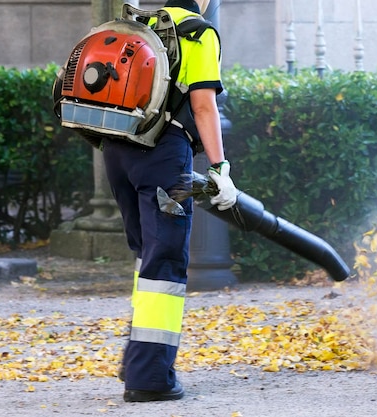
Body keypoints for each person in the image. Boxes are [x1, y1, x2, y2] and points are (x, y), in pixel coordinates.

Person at [101, 0, 237, 402]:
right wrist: (219, 167)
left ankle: (137, 357)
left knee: (147, 255)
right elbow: (203, 105)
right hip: (161, 156)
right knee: (164, 264)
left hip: (116, 150)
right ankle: (150, 379)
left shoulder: (142, 24)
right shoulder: (197, 31)